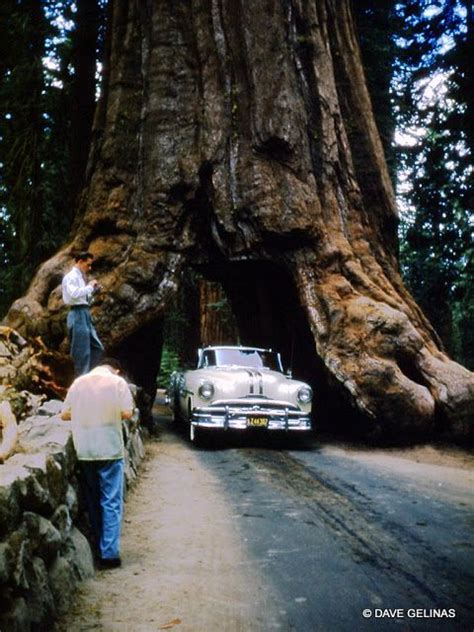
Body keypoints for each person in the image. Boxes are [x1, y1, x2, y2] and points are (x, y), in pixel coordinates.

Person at [61, 358, 134, 569]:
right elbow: (127, 412)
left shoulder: (78, 383)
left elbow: (65, 414)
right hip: (110, 449)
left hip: (84, 450)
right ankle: (109, 553)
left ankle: (97, 544)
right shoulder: (118, 383)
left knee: (93, 500)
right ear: (116, 370)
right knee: (110, 501)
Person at [62, 251, 104, 376]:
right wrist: (90, 287)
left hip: (85, 312)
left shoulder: (80, 277)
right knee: (81, 351)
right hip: (77, 313)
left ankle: (87, 375)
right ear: (80, 262)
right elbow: (73, 294)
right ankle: (78, 379)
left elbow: (83, 298)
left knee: (97, 348)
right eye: (88, 265)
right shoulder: (70, 276)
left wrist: (93, 291)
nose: (89, 268)